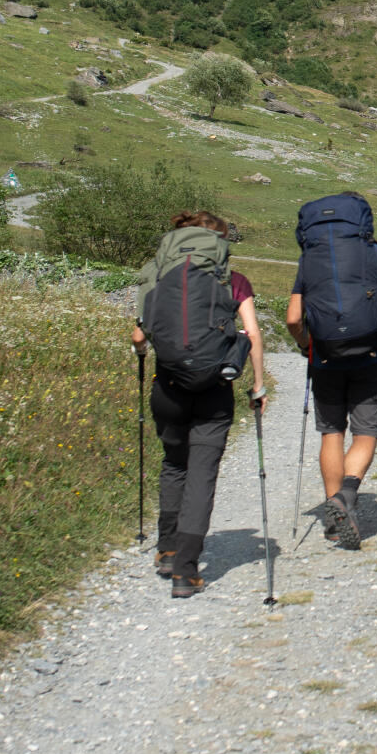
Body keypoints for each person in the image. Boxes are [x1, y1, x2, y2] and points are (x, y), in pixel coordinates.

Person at [131, 209, 267, 599]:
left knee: (174, 463)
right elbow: (252, 335)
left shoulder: (157, 276)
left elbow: (138, 338)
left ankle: (167, 550)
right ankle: (186, 571)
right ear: (220, 245)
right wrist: (257, 387)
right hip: (213, 387)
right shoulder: (233, 280)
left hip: (168, 387)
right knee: (202, 472)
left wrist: (153, 350)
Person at [285, 191, 377, 549]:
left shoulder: (310, 259)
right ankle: (348, 494)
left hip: (324, 356)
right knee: (366, 431)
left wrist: (305, 344)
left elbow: (293, 318)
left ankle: (332, 513)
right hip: (369, 355)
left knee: (331, 432)